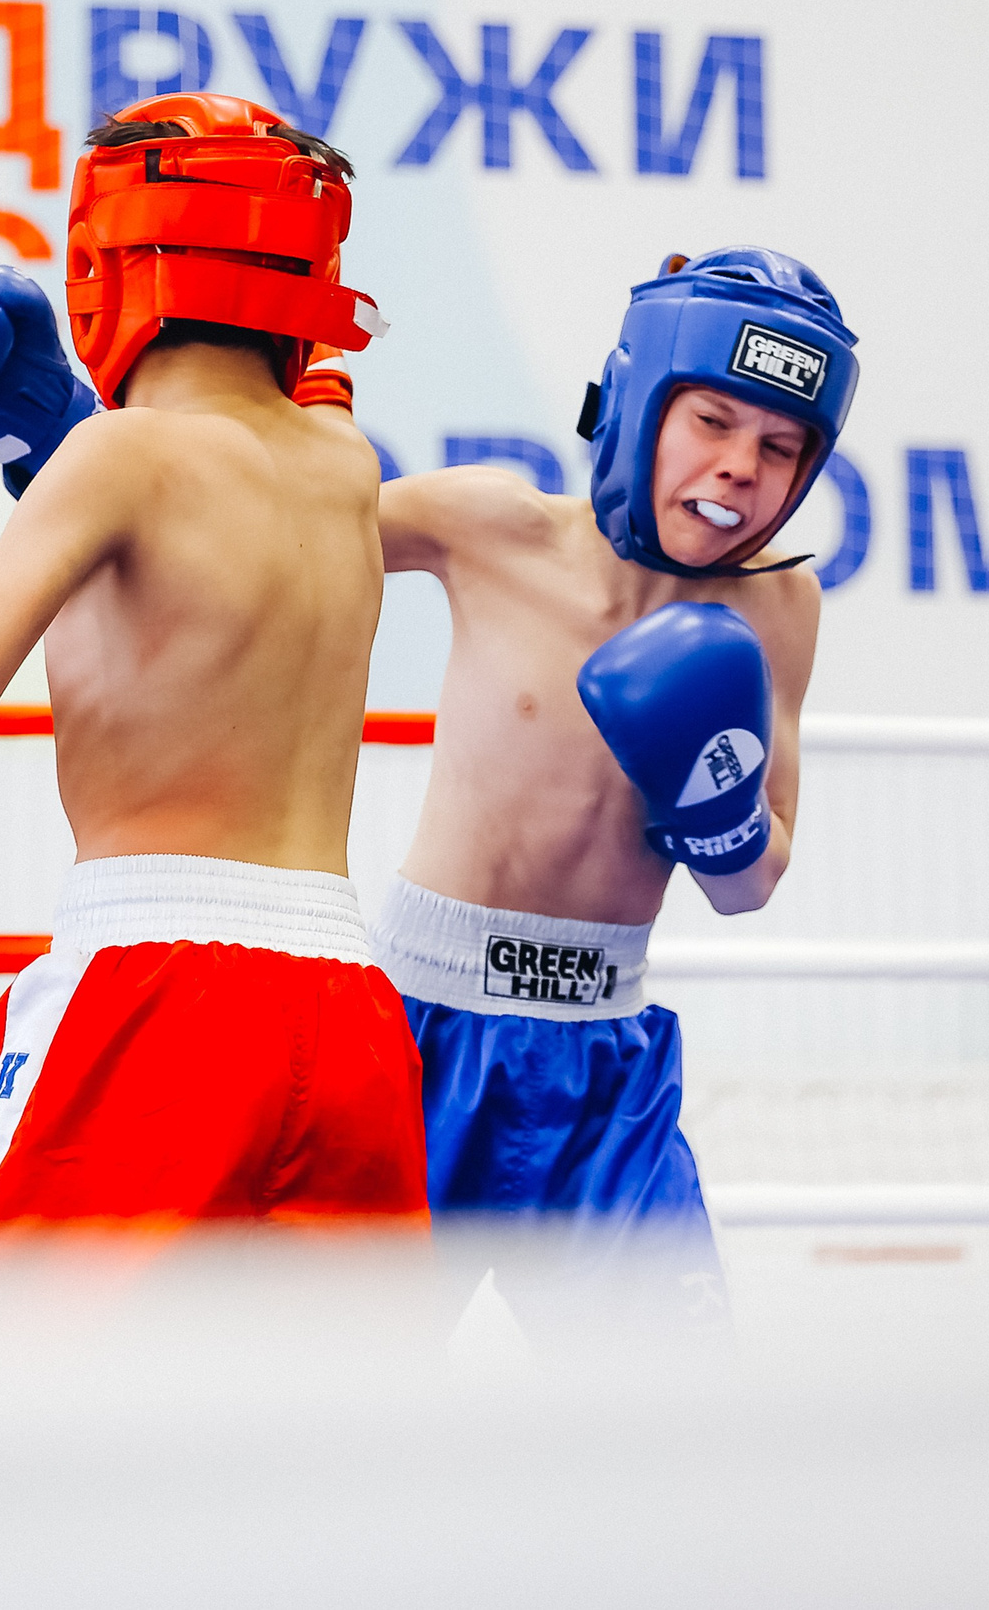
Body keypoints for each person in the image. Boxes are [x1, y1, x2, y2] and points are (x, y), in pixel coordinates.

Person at [0, 94, 422, 1353]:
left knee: (1, 1405)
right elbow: (188, 542)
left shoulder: (113, 464)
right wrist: (48, 433)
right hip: (350, 1017)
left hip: (155, 988)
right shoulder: (342, 466)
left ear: (105, 265)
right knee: (318, 1442)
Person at [371, 248, 857, 1344]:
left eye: (780, 448)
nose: (741, 466)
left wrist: (718, 814)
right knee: (342, 1401)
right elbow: (268, 537)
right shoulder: (490, 525)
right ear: (638, 407)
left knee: (675, 1419)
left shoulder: (782, 606)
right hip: (419, 1038)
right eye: (714, 421)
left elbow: (751, 882)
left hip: (604, 1059)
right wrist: (68, 450)